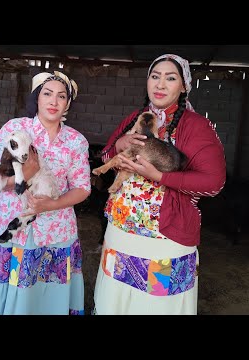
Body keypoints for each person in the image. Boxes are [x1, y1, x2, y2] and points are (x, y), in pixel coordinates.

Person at [93, 54, 226, 315]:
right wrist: (119, 144)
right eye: (155, 77)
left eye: (170, 78)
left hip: (165, 238)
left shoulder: (197, 126)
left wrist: (160, 176)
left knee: (157, 306)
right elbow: (107, 155)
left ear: (184, 86)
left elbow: (214, 183)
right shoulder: (135, 118)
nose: (160, 85)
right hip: (120, 232)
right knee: (115, 303)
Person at [0, 71, 91, 315]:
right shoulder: (15, 129)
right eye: (47, 94)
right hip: (12, 225)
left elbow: (82, 188)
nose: (53, 101)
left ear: (68, 103)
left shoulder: (76, 141)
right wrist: (25, 175)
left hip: (56, 229)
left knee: (46, 299)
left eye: (61, 96)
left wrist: (51, 204)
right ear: (37, 97)